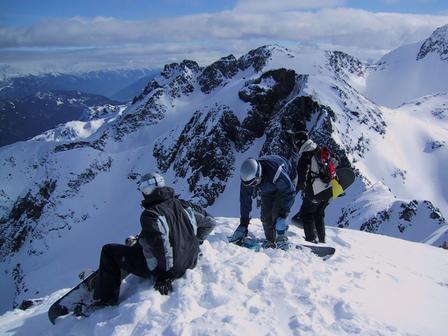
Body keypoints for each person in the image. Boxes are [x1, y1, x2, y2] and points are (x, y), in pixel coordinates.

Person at [92, 172, 216, 305]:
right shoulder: (184, 205)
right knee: (143, 240)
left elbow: (162, 247)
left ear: (146, 191)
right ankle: (137, 245)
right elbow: (210, 222)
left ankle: (104, 300)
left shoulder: (150, 215)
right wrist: (195, 242)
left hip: (168, 270)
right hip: (191, 260)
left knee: (109, 251)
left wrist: (165, 275)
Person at [229, 155, 297, 248]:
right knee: (265, 216)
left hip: (287, 182)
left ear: (259, 174)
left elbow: (290, 193)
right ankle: (271, 241)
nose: (252, 186)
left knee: (277, 216)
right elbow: (245, 201)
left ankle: (281, 239)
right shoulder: (248, 180)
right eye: (250, 184)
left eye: (253, 183)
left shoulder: (276, 172)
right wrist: (243, 223)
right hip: (267, 185)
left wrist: (283, 214)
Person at [291, 131, 335, 244]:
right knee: (318, 215)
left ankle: (312, 240)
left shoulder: (305, 157)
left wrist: (292, 192)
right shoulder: (319, 151)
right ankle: (322, 241)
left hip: (315, 192)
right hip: (328, 190)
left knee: (306, 214)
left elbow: (301, 181)